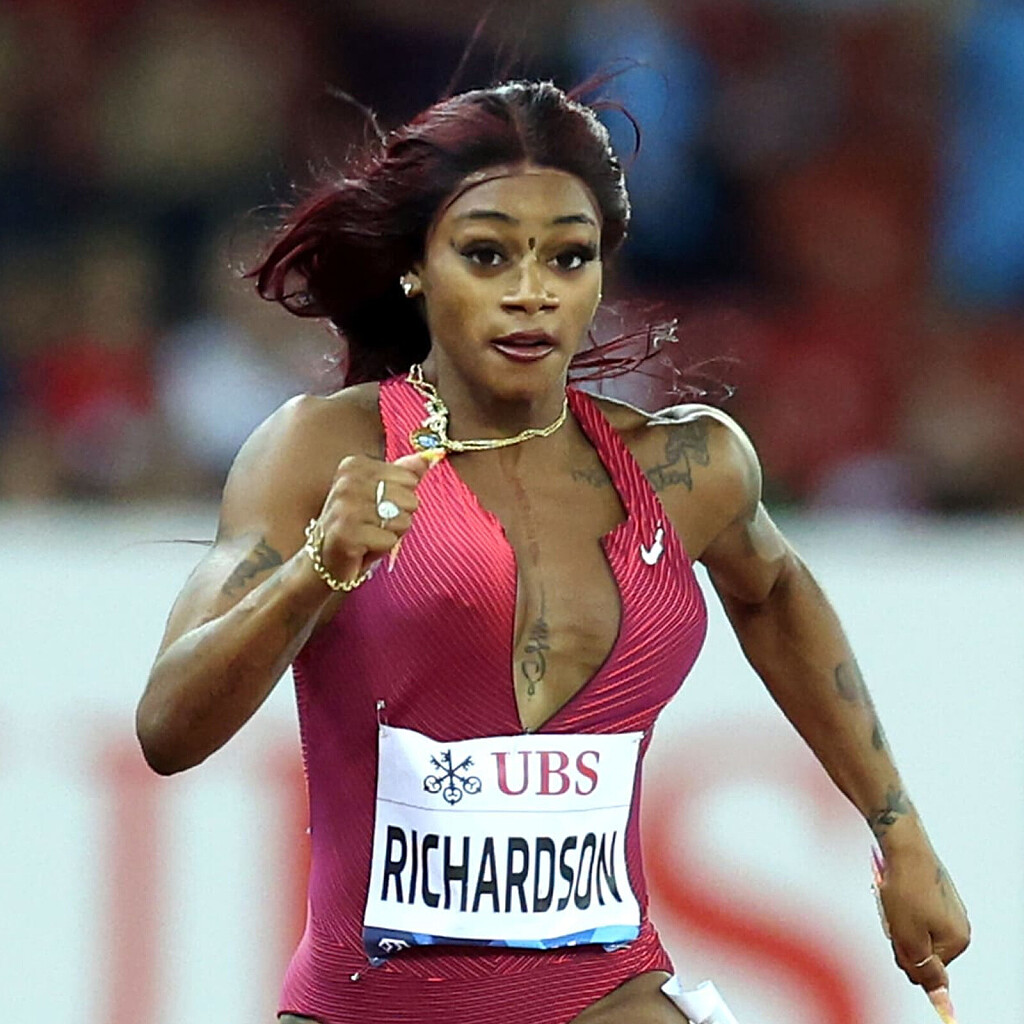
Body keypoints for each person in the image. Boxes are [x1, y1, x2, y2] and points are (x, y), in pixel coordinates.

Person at [136, 80, 970, 1024]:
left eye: (567, 257)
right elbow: (167, 729)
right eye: (486, 254)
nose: (530, 292)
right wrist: (315, 571)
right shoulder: (321, 451)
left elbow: (774, 593)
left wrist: (900, 833)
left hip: (610, 997)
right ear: (415, 266)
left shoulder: (688, 468)